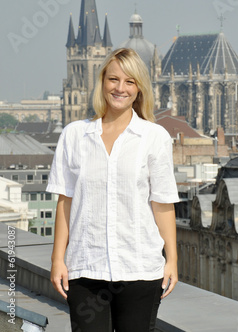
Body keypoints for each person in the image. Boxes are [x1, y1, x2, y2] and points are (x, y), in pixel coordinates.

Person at [48, 48, 179, 332]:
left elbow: (162, 204)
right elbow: (65, 201)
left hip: (140, 268)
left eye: (130, 81)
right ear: (102, 82)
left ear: (139, 88)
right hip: (85, 267)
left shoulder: (154, 137)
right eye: (113, 79)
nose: (120, 88)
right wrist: (58, 259)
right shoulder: (74, 134)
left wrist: (172, 260)